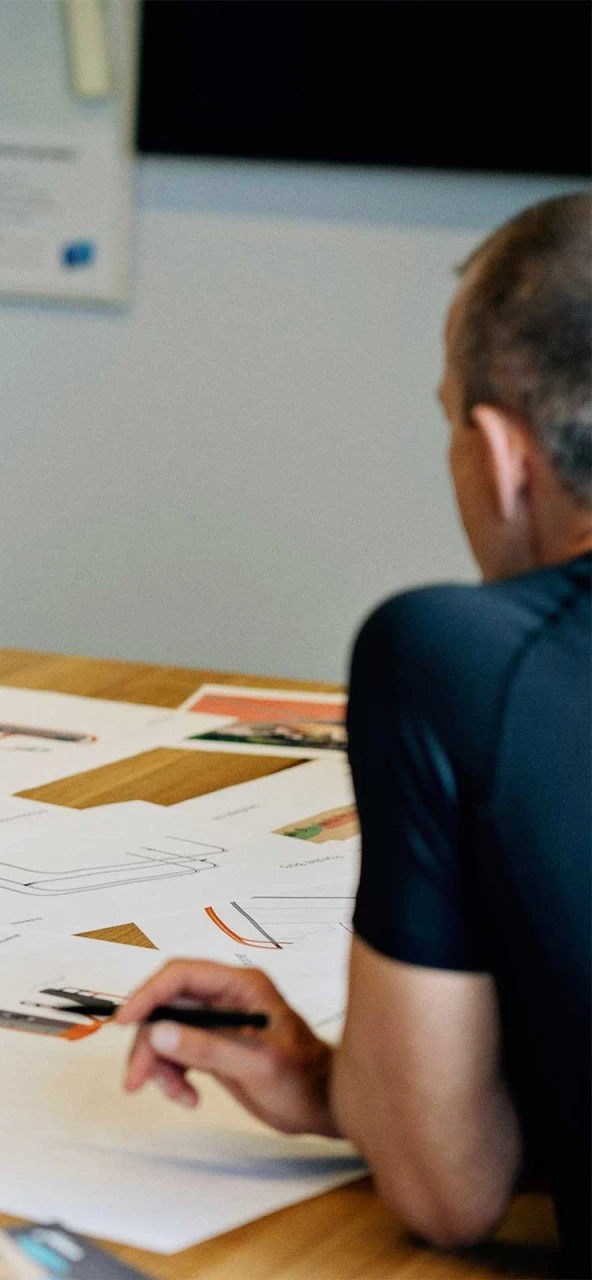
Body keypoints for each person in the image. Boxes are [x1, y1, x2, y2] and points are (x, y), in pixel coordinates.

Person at [117, 193, 591, 1271]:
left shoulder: (451, 655)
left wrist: (363, 1087)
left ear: (502, 453)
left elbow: (445, 1189)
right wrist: (342, 1087)